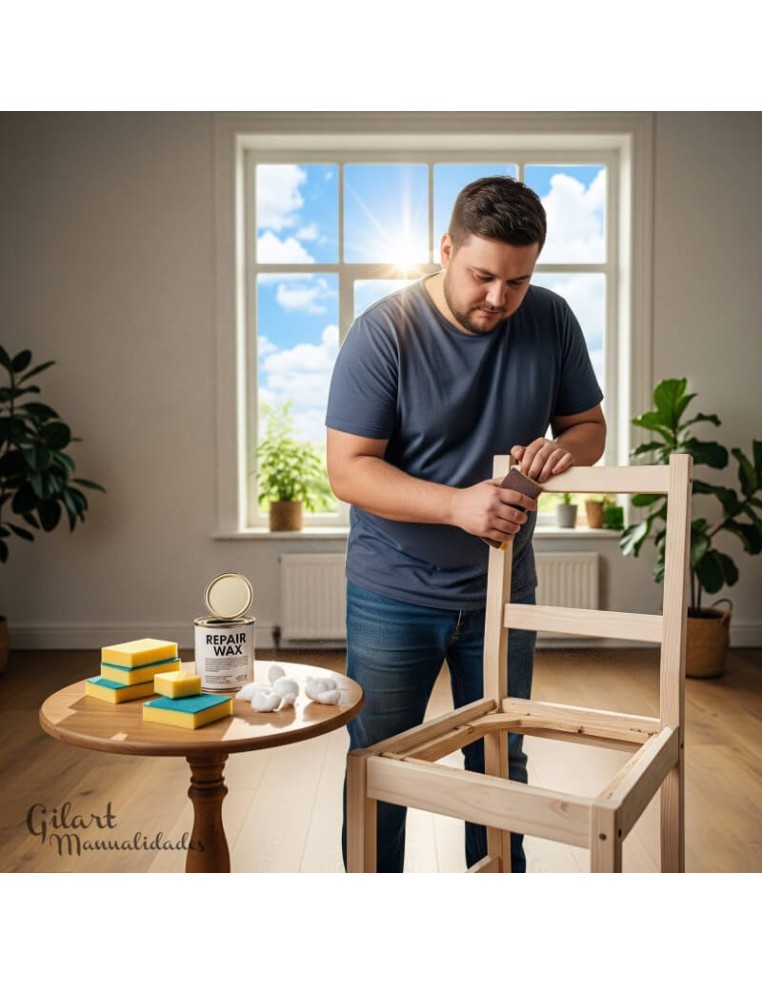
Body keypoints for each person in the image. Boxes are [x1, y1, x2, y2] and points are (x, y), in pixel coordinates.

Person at [325, 175, 606, 873]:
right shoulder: (383, 333)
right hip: (393, 591)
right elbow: (349, 470)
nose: (499, 299)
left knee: (500, 762)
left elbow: (590, 428)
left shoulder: (552, 319)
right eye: (483, 276)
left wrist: (559, 449)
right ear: (445, 248)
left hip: (503, 590)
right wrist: (457, 505)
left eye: (518, 281)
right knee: (380, 765)